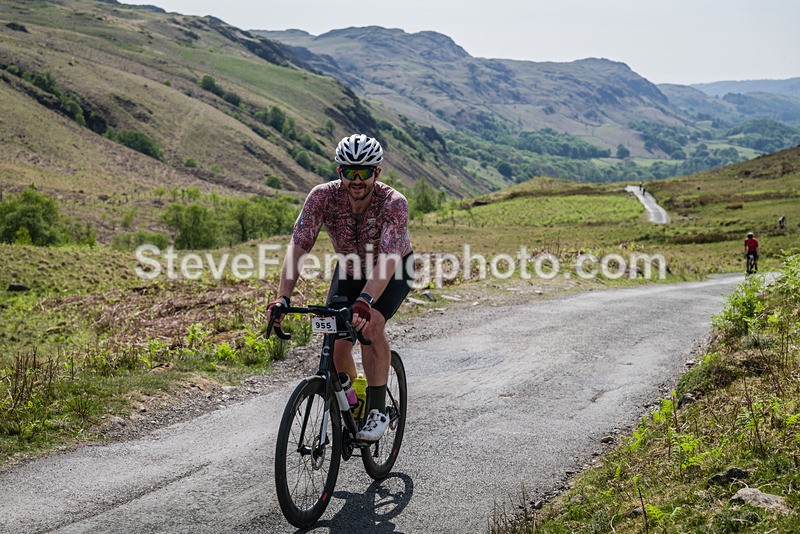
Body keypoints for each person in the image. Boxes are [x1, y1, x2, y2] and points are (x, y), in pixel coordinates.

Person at [266, 133, 414, 442]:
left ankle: (377, 410)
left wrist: (365, 300)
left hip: (393, 269)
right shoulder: (322, 196)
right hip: (349, 270)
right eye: (349, 172)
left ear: (377, 173)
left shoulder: (393, 203)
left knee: (371, 324)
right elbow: (299, 246)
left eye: (364, 172)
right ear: (339, 172)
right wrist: (283, 296)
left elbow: (388, 260)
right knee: (335, 340)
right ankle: (353, 401)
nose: (356, 180)